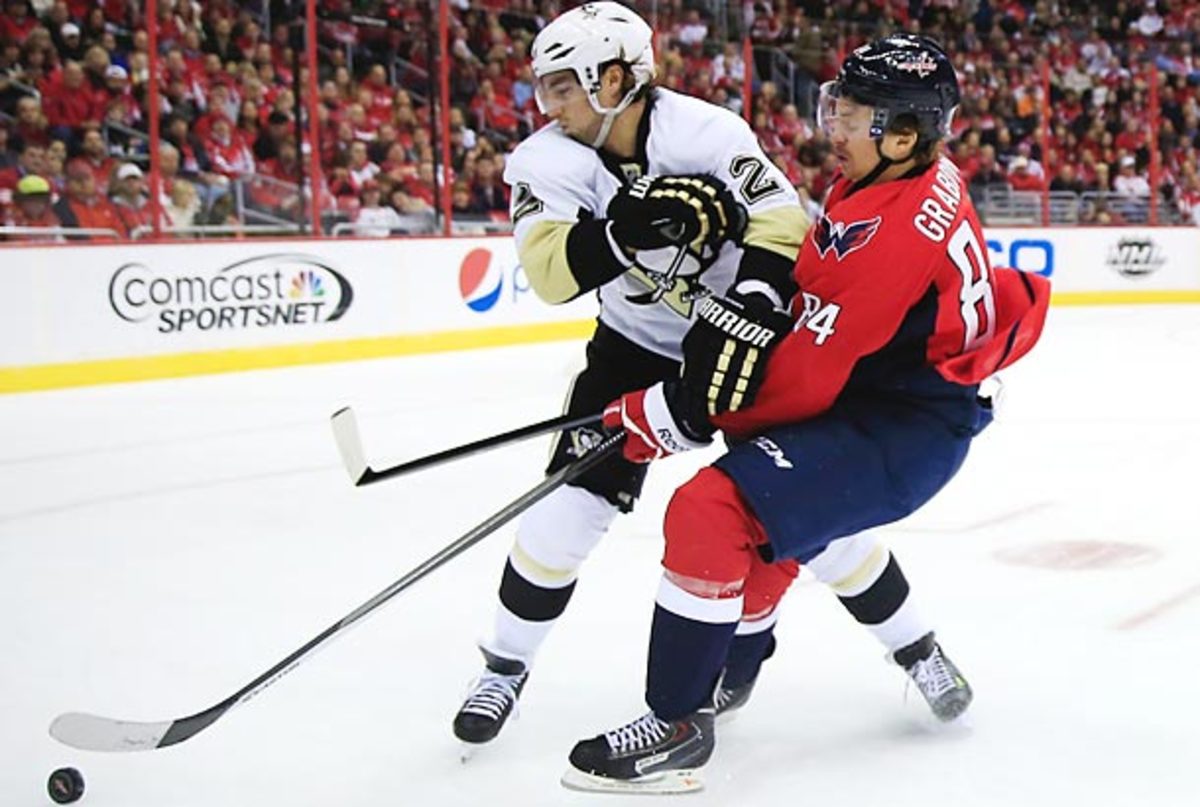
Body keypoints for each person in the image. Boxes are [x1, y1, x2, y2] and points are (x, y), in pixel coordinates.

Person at [562, 34, 1051, 793]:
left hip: (902, 426)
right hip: (884, 398)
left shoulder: (894, 232)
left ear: (902, 132)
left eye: (852, 116)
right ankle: (749, 671)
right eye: (838, 108)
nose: (834, 128)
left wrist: (672, 412)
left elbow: (804, 378)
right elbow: (819, 302)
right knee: (778, 529)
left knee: (711, 510)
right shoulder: (901, 177)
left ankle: (677, 724)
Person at [452, 1, 809, 746]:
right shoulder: (544, 159)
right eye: (543, 88)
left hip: (737, 340)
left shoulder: (708, 132)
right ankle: (505, 666)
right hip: (632, 345)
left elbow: (783, 216)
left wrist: (753, 297)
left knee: (808, 503)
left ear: (614, 76)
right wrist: (625, 231)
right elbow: (552, 274)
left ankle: (914, 644)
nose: (545, 104)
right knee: (564, 513)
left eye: (562, 86)